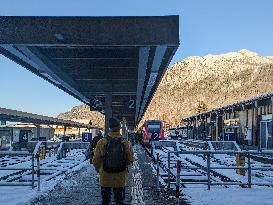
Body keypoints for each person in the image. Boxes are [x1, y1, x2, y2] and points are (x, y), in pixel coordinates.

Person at [93, 117, 134, 205]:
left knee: (105, 201)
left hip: (105, 176)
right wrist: (123, 164)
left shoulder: (101, 142)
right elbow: (131, 160)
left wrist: (99, 170)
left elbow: (96, 160)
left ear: (109, 129)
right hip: (120, 176)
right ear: (119, 128)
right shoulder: (126, 142)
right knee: (119, 201)